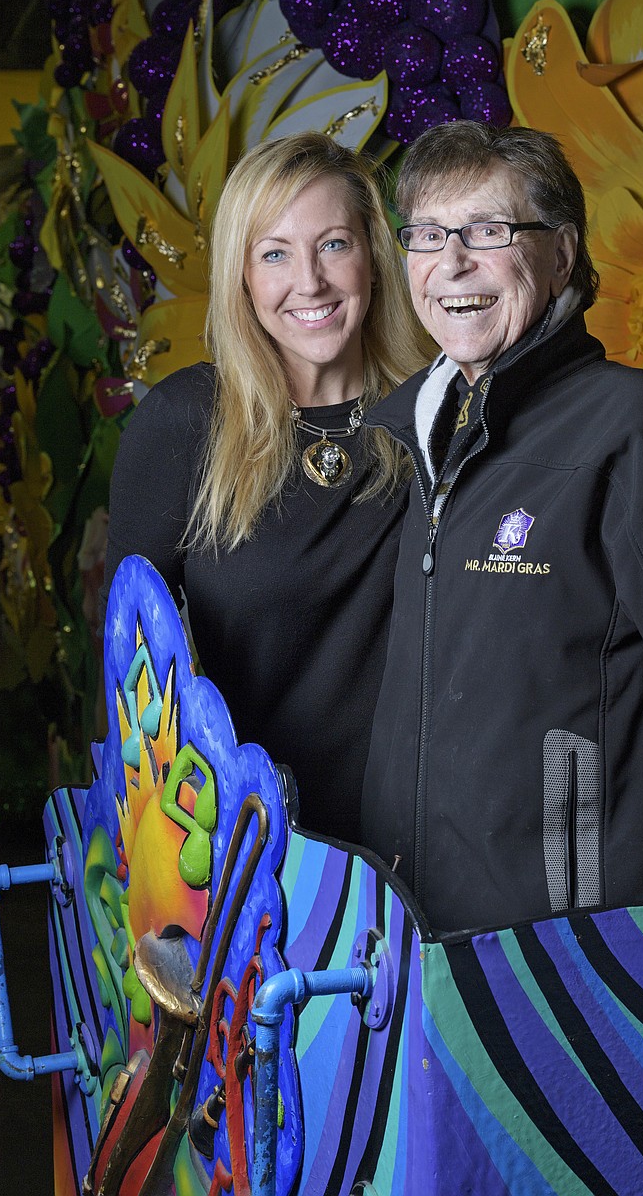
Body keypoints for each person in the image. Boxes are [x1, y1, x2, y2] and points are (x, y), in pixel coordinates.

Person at [362, 120, 643, 963]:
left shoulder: (633, 430)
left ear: (562, 255)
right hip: (414, 945)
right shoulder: (404, 439)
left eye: (489, 232)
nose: (452, 262)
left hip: (569, 954)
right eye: (428, 235)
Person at [104, 131, 432, 843]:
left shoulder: (435, 417)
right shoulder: (187, 423)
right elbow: (128, 681)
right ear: (242, 278)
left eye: (334, 245)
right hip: (239, 853)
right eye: (275, 253)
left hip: (419, 844)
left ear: (374, 256)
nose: (309, 281)